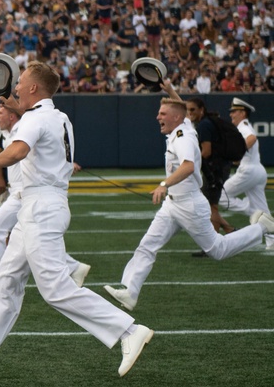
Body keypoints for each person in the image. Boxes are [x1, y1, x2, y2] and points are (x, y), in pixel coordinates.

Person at [0, 62, 154, 385]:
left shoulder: (35, 118)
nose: (17, 87)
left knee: (55, 289)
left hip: (41, 207)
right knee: (6, 280)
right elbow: (31, 130)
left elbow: (18, 150)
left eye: (21, 82)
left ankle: (129, 330)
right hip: (40, 206)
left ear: (34, 89)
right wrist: (14, 108)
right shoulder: (58, 116)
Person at [104, 98, 273, 311]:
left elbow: (188, 166)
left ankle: (262, 228)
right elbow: (181, 108)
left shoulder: (183, 137)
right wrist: (168, 89)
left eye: (163, 114)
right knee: (147, 245)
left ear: (176, 117)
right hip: (172, 205)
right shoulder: (184, 126)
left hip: (189, 204)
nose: (158, 117)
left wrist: (164, 184)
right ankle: (130, 291)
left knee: (218, 250)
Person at [0, 88, 90, 294]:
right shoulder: (8, 129)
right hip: (25, 193)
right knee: (29, 243)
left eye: (2, 112)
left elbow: (26, 146)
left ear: (11, 116)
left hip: (26, 193)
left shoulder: (24, 126)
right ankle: (73, 267)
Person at [219, 98, 270, 245]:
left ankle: (253, 212)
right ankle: (272, 240)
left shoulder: (243, 126)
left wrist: (237, 152)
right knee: (263, 208)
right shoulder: (244, 126)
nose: (231, 115)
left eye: (234, 111)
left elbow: (252, 138)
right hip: (258, 170)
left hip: (249, 170)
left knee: (222, 196)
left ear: (242, 113)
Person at [185, 97, 234, 235]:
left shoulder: (204, 125)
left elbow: (206, 151)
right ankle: (228, 229)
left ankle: (214, 241)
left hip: (215, 169)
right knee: (210, 205)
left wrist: (190, 160)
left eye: (193, 109)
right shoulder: (206, 123)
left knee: (210, 207)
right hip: (218, 167)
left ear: (201, 110)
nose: (189, 113)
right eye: (187, 110)